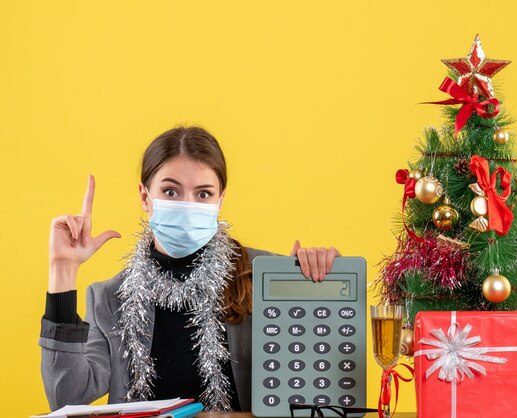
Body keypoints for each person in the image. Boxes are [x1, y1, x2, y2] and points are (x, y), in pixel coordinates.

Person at [39, 126, 340, 412]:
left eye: (203, 194)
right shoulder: (109, 298)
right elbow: (66, 395)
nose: (187, 204)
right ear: (145, 197)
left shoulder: (263, 277)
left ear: (220, 201)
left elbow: (318, 377)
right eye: (171, 192)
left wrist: (322, 281)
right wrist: (62, 270)